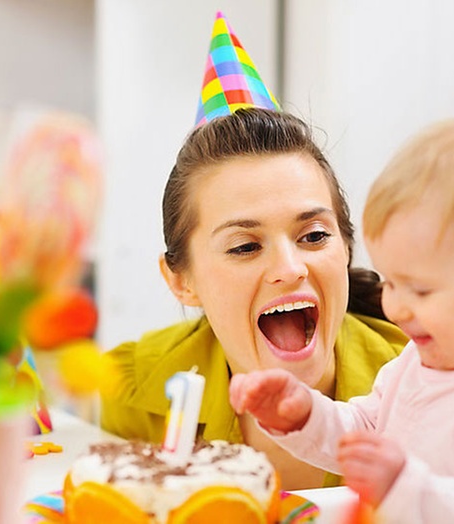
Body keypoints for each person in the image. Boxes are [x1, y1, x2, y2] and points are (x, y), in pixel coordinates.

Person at [230, 114, 454, 521]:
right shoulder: (423, 358)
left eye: (421, 290)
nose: (396, 308)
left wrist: (406, 488)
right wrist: (305, 416)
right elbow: (368, 432)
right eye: (391, 283)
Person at [99, 107, 409, 490]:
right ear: (181, 282)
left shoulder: (431, 380)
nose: (290, 268)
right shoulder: (132, 390)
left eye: (314, 236)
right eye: (245, 246)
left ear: (346, 248)